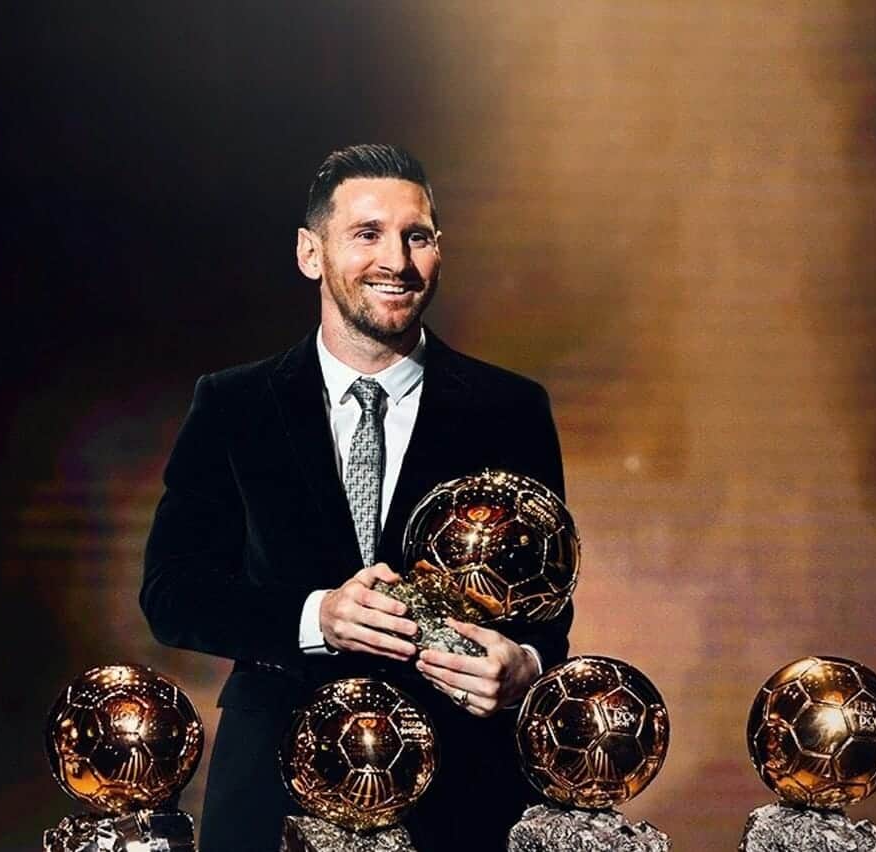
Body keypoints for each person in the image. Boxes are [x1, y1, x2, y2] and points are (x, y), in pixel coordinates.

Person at [141, 143, 571, 852]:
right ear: (310, 253)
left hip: (459, 796)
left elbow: (546, 612)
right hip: (273, 788)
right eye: (367, 234)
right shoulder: (234, 405)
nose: (396, 261)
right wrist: (318, 617)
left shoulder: (511, 409)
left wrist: (524, 665)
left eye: (417, 236)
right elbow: (172, 593)